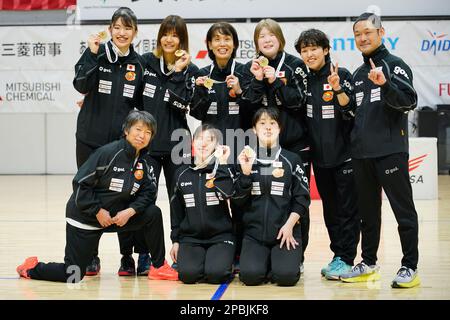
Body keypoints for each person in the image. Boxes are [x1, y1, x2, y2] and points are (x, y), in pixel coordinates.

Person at [16, 111, 178, 283]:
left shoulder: (144, 161)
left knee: (153, 213)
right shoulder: (108, 153)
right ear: (126, 131)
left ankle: (159, 267)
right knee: (73, 275)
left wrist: (130, 211)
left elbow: (148, 193)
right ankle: (32, 268)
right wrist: (97, 211)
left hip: (114, 217)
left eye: (148, 132)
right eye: (138, 129)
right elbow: (80, 184)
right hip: (85, 217)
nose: (142, 135)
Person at [339, 13, 420, 288]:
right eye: (357, 34)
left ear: (381, 33)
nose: (362, 38)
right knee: (367, 215)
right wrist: (340, 93)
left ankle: (410, 266)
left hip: (390, 152)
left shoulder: (394, 66)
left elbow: (409, 101)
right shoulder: (358, 74)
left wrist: (386, 84)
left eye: (367, 32)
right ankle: (369, 263)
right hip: (361, 155)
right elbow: (353, 115)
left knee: (403, 212)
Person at [72, 7, 148, 277]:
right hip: (89, 140)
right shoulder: (96, 53)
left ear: (135, 32)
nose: (121, 32)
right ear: (110, 29)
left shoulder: (138, 65)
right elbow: (81, 84)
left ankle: (127, 257)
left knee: (123, 196)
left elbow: (140, 107)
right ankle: (91, 256)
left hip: (121, 145)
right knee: (88, 194)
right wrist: (92, 53)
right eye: (117, 27)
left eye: (127, 27)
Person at [240, 19, 310, 270]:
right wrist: (259, 79)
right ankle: (258, 249)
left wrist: (276, 81)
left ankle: (297, 255)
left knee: (297, 198)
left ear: (279, 39)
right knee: (260, 195)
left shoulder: (295, 65)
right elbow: (247, 105)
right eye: (261, 36)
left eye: (271, 35)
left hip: (294, 144)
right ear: (256, 42)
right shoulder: (251, 66)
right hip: (263, 145)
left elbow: (298, 102)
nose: (267, 40)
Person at [294, 29, 360, 280]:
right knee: (330, 211)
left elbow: (352, 111)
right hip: (319, 160)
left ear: (326, 49)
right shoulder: (304, 80)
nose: (309, 54)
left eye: (314, 49)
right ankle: (338, 256)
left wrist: (339, 89)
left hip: (345, 158)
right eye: (304, 50)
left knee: (348, 211)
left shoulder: (340, 75)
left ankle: (347, 258)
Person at [189, 22, 248, 271]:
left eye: (227, 39)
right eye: (217, 39)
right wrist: (201, 92)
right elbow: (196, 112)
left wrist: (240, 91)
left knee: (241, 201)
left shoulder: (244, 72)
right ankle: (219, 246)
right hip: (211, 151)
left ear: (234, 44)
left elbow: (253, 112)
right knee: (213, 199)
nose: (222, 43)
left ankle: (240, 252)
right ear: (209, 45)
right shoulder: (202, 73)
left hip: (240, 147)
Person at [233, 107, 310, 286]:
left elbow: (302, 198)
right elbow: (237, 202)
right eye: (262, 123)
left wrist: (289, 225)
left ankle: (282, 262)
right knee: (250, 277)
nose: (268, 128)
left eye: (272, 123)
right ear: (254, 129)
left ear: (279, 128)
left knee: (286, 278)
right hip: (254, 235)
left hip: (285, 232)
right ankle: (264, 262)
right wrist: (245, 174)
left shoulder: (292, 159)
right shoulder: (245, 160)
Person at [169, 124, 235, 284]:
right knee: (187, 276)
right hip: (191, 238)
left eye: (209, 140)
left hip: (221, 236)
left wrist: (223, 164)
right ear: (192, 142)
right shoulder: (181, 173)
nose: (203, 143)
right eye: (199, 138)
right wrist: (176, 241)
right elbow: (176, 211)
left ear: (217, 146)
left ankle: (222, 262)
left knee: (216, 275)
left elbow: (228, 193)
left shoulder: (223, 169)